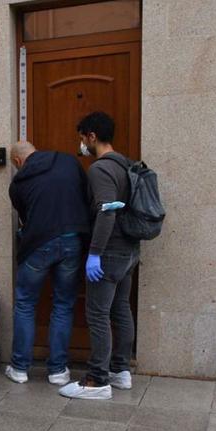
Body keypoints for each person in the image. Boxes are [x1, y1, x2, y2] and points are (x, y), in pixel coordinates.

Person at [59, 112, 137, 400]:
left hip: (109, 251)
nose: (81, 144)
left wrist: (94, 254)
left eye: (82, 138)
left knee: (98, 314)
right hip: (128, 251)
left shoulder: (101, 169)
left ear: (92, 136)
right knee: (120, 310)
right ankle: (120, 371)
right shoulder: (125, 164)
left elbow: (107, 212)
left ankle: (97, 380)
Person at [4, 141, 91, 386]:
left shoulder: (18, 184)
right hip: (72, 240)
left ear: (18, 161)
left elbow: (25, 217)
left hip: (38, 246)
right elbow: (86, 194)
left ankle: (20, 369)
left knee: (25, 304)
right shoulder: (68, 161)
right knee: (63, 305)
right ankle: (58, 371)